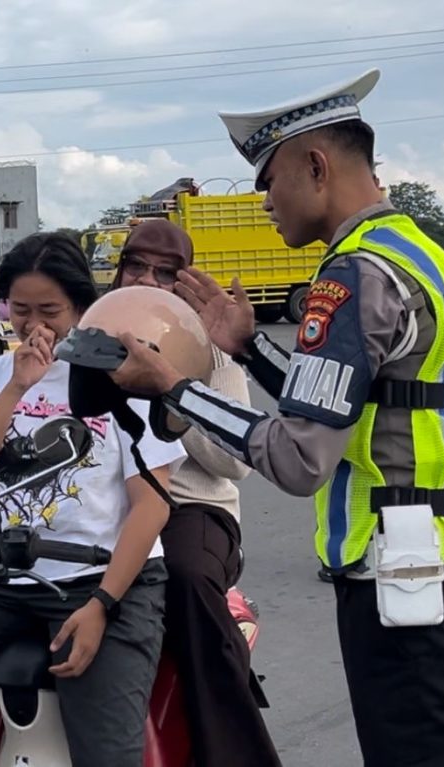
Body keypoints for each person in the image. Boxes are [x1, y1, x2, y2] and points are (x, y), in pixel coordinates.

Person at [107, 68, 444, 767]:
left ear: (315, 166)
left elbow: (298, 457)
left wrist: (175, 386)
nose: (263, 202)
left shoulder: (351, 275)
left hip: (401, 582)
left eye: (267, 182)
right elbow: (351, 403)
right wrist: (247, 346)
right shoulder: (427, 256)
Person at [0, 232, 185, 766]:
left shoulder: (123, 378)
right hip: (0, 581)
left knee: (106, 752)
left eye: (50, 309)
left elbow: (152, 505)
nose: (34, 325)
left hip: (100, 583)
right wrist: (15, 389)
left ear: (80, 306)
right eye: (19, 310)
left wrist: (103, 605)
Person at [111, 219, 280, 767]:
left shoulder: (209, 347)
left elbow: (235, 464)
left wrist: (177, 397)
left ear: (184, 281)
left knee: (182, 577)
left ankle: (234, 750)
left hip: (192, 507)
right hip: (106, 505)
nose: (149, 281)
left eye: (166, 272)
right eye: (137, 266)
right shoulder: (93, 334)